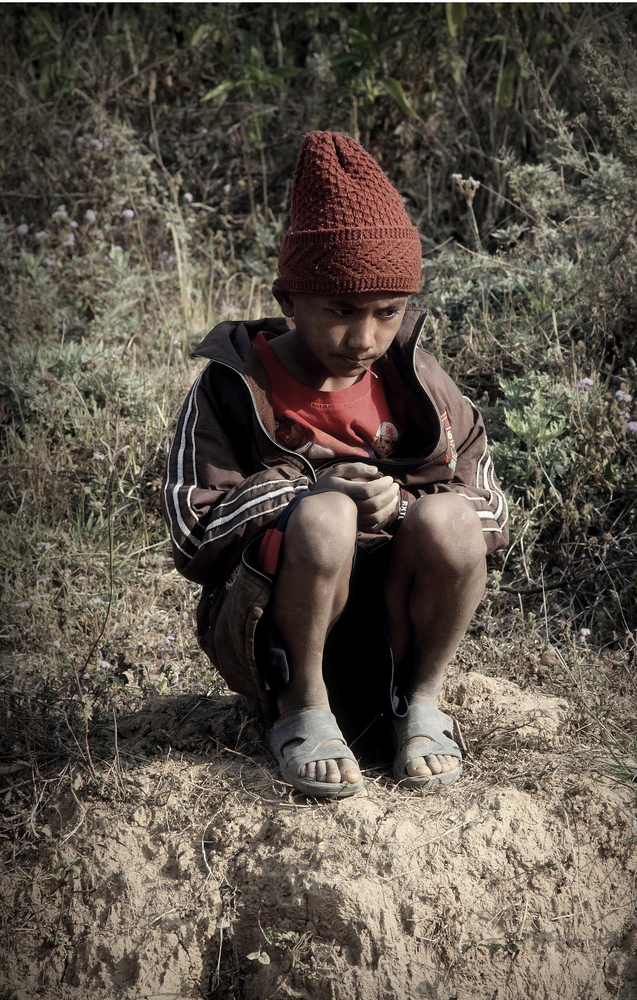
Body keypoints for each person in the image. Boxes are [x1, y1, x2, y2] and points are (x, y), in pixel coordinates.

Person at [162, 131, 508, 799]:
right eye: (341, 312)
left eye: (387, 313)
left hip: (399, 618)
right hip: (276, 632)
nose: (365, 338)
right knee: (323, 517)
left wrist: (402, 508)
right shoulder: (234, 385)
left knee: (452, 520)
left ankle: (421, 705)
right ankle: (303, 712)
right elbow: (189, 530)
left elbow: (490, 505)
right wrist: (302, 495)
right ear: (288, 300)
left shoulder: (415, 379)